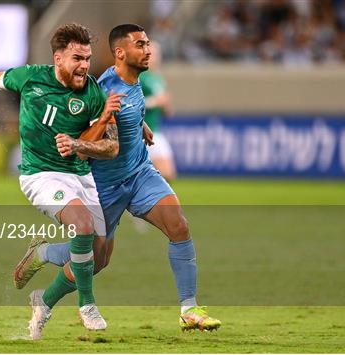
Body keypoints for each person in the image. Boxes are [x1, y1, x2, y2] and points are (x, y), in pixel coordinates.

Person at [0, 23, 126, 340]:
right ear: (58, 58)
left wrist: (79, 145)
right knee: (82, 226)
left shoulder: (94, 93)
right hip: (40, 174)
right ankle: (88, 305)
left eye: (87, 58)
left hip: (81, 175)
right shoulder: (31, 77)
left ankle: (43, 291)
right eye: (76, 58)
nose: (84, 65)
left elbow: (111, 147)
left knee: (99, 258)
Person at [14, 24, 221, 332]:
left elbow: (130, 113)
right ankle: (44, 271)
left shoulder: (136, 80)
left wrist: (139, 126)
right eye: (141, 44)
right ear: (121, 52)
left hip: (139, 174)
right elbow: (84, 142)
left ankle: (189, 309)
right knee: (95, 262)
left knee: (178, 225)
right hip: (104, 187)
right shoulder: (103, 91)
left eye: (148, 43)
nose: (148, 49)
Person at [139, 41, 177, 181]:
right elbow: (132, 104)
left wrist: (166, 107)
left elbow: (165, 108)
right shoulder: (140, 77)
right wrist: (155, 101)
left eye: (157, 53)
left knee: (168, 174)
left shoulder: (158, 78)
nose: (155, 56)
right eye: (152, 53)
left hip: (156, 130)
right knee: (165, 173)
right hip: (143, 131)